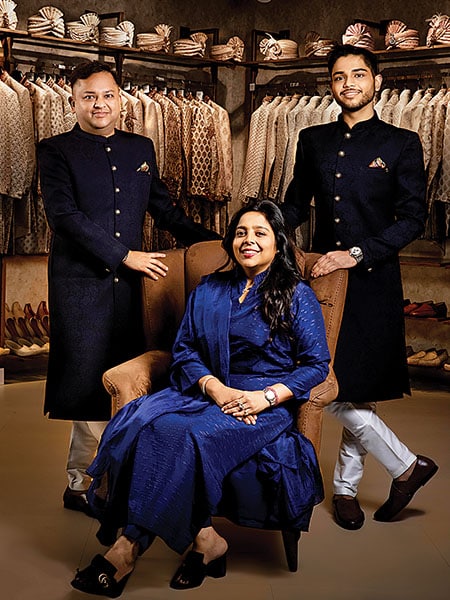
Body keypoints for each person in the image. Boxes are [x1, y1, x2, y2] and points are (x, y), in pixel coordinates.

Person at [70, 200, 329, 596]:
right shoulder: (210, 288)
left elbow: (315, 365)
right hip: (209, 388)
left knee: (187, 435)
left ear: (278, 242)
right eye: (241, 232)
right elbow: (186, 349)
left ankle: (126, 551)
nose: (249, 241)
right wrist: (214, 387)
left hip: (262, 402)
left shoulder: (297, 295)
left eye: (260, 233)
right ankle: (207, 541)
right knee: (153, 425)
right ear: (231, 240)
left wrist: (265, 398)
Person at [37, 60, 221, 517]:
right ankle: (86, 482)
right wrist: (125, 255)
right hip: (81, 285)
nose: (100, 105)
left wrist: (219, 245)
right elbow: (64, 217)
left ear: (121, 99)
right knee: (85, 379)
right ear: (73, 100)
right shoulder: (54, 150)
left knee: (120, 378)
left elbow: (163, 209)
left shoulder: (141, 146)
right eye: (88, 97)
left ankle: (95, 479)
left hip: (131, 289)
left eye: (107, 95)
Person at [281, 44, 438, 530]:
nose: (347, 83)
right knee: (323, 380)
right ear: (330, 85)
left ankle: (347, 490)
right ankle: (407, 467)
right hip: (322, 281)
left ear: (376, 81)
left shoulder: (403, 143)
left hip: (372, 279)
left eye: (357, 75)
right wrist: (261, 229)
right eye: (338, 77)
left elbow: (413, 218)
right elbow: (294, 205)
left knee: (358, 387)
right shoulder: (312, 138)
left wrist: (357, 253)